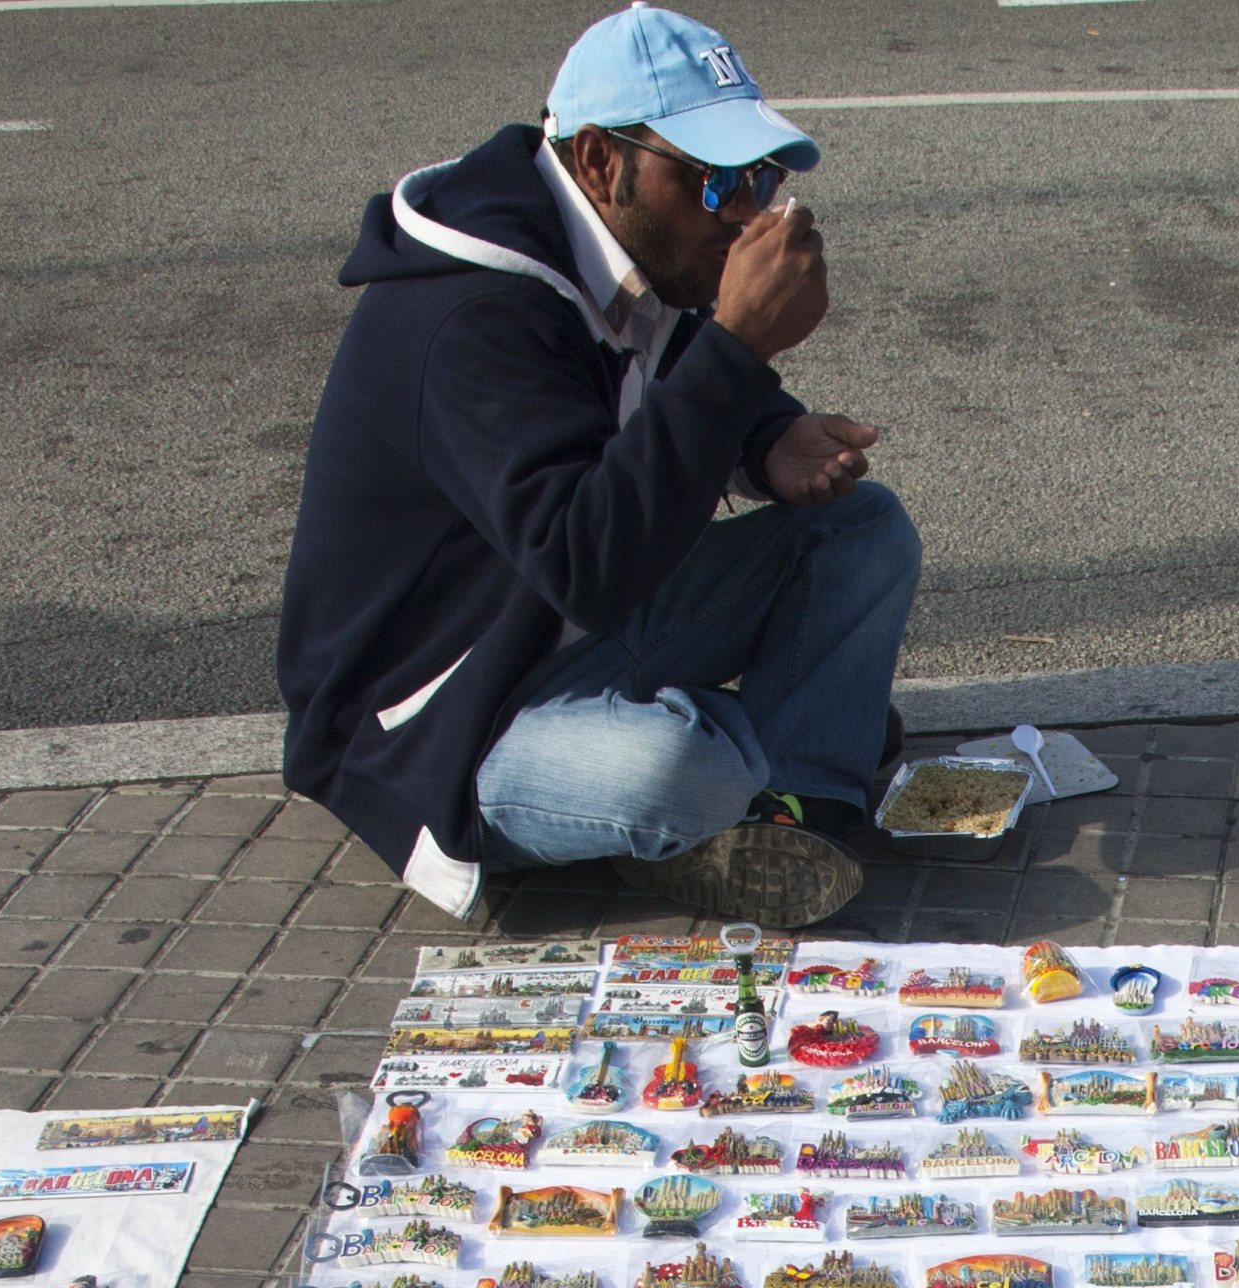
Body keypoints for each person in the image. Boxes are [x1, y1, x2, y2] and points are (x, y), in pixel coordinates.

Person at [276, 4, 915, 926]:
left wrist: (764, 438)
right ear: (599, 164)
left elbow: (663, 371)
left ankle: (800, 804)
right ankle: (774, 752)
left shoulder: (624, 249)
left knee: (863, 528)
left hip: (556, 625)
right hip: (444, 710)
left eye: (759, 176)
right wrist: (737, 352)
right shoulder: (471, 317)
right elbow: (588, 564)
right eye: (710, 183)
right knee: (673, 770)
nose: (744, 213)